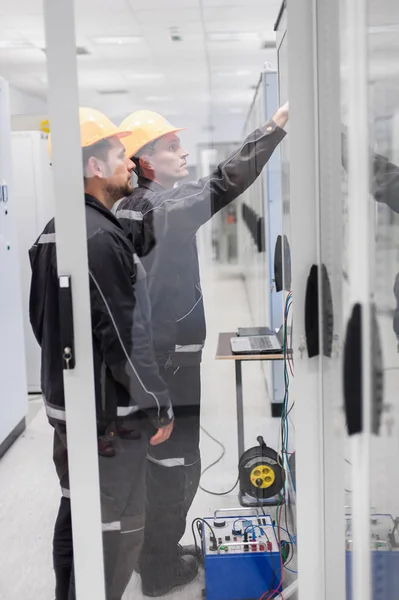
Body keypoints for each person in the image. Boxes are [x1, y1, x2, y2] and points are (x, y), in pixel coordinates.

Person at [114, 104, 289, 597]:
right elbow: (221, 185)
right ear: (144, 160)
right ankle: (160, 567)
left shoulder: (135, 206)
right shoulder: (159, 209)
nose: (182, 151)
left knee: (163, 462)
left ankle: (157, 551)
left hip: (159, 359)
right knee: (177, 465)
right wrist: (273, 130)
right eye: (171, 146)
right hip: (168, 366)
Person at [29, 107, 174, 600]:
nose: (130, 165)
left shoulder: (54, 230)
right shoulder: (100, 238)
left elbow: (40, 323)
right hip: (106, 417)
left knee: (75, 510)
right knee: (117, 526)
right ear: (93, 167)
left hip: (66, 407)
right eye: (119, 155)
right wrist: (158, 403)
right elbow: (124, 340)